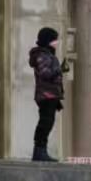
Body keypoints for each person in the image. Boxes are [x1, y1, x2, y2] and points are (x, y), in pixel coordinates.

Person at [29, 26, 67, 162]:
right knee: (45, 122)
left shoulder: (48, 54)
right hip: (46, 95)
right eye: (54, 40)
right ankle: (39, 151)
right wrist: (59, 70)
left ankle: (41, 151)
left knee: (48, 122)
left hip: (50, 95)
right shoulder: (43, 55)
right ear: (48, 40)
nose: (56, 43)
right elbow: (45, 73)